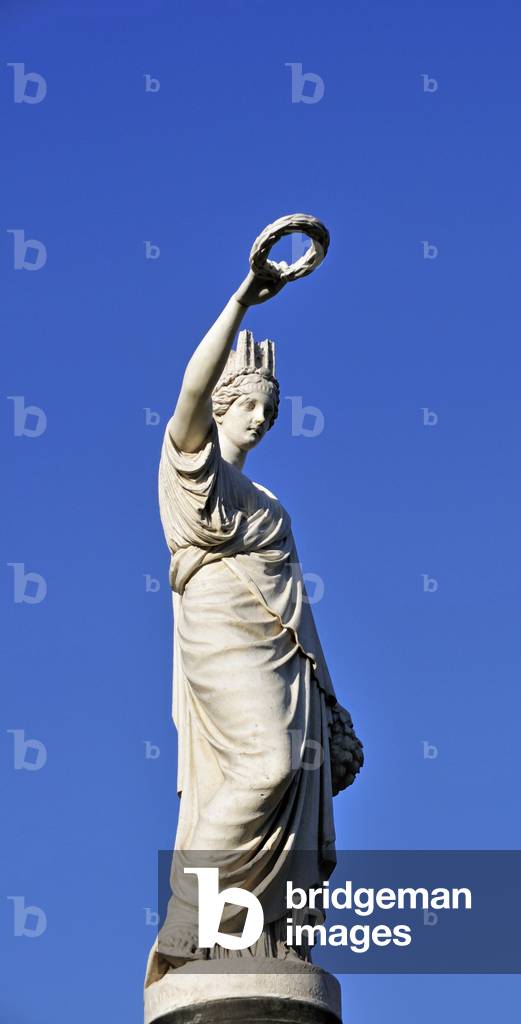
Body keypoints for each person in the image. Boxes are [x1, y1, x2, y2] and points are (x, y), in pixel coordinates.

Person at [145, 268, 362, 984]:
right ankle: (186, 921)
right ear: (223, 401)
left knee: (290, 777)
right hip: (220, 629)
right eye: (252, 405)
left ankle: (262, 937)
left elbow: (298, 603)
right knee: (263, 766)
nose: (263, 418)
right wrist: (241, 300)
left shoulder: (268, 499)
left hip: (285, 655)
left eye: (273, 408)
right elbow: (186, 392)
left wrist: (331, 704)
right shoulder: (189, 469)